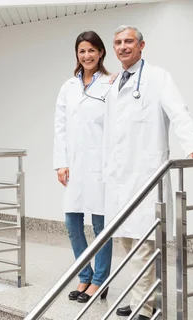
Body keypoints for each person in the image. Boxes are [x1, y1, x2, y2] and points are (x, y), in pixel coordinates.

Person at [102, 25, 193, 320]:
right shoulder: (115, 83)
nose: (123, 47)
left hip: (145, 174)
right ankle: (141, 298)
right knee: (127, 244)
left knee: (144, 245)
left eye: (128, 42)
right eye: (118, 43)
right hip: (119, 176)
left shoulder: (157, 77)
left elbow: (179, 112)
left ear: (141, 45)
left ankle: (146, 308)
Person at [53, 30, 114, 304]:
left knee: (101, 224)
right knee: (72, 223)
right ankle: (84, 275)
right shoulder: (68, 86)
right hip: (75, 165)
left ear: (101, 52)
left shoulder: (111, 84)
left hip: (101, 165)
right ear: (77, 55)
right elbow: (60, 127)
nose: (86, 55)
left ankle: (100, 281)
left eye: (91, 50)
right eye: (81, 51)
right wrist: (60, 163)